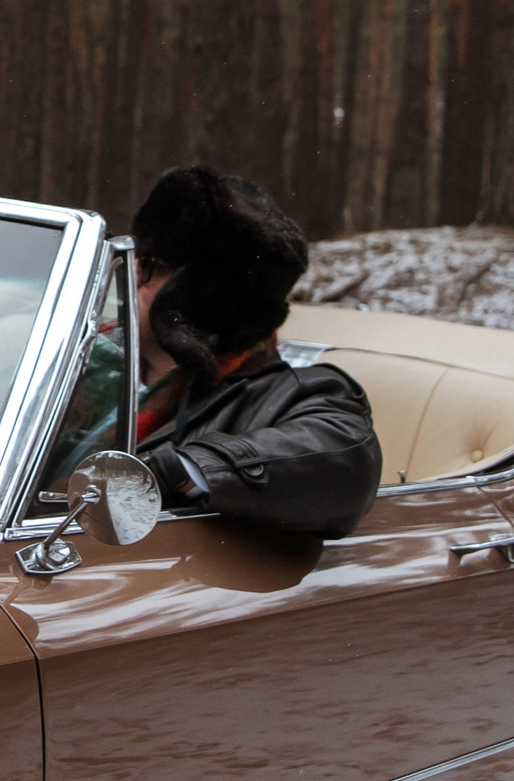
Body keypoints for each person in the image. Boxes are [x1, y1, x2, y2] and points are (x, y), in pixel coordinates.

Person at [128, 161, 381, 538]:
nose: (133, 272)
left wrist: (176, 471)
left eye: (150, 264)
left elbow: (347, 458)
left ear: (199, 295)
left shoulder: (296, 396)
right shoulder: (84, 358)